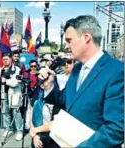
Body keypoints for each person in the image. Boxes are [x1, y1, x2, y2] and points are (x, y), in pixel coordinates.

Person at [38, 15, 124, 147]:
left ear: (86, 37)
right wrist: (49, 85)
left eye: (69, 40)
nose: (66, 46)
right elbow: (67, 101)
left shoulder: (116, 71)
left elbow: (116, 129)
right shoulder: (77, 69)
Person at [0, 52, 23, 141]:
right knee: (5, 112)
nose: (5, 61)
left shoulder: (17, 69)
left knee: (16, 112)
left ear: (11, 59)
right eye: (4, 59)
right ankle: (8, 129)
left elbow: (16, 82)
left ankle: (19, 131)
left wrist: (6, 81)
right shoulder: (0, 70)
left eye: (7, 59)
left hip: (14, 94)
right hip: (3, 94)